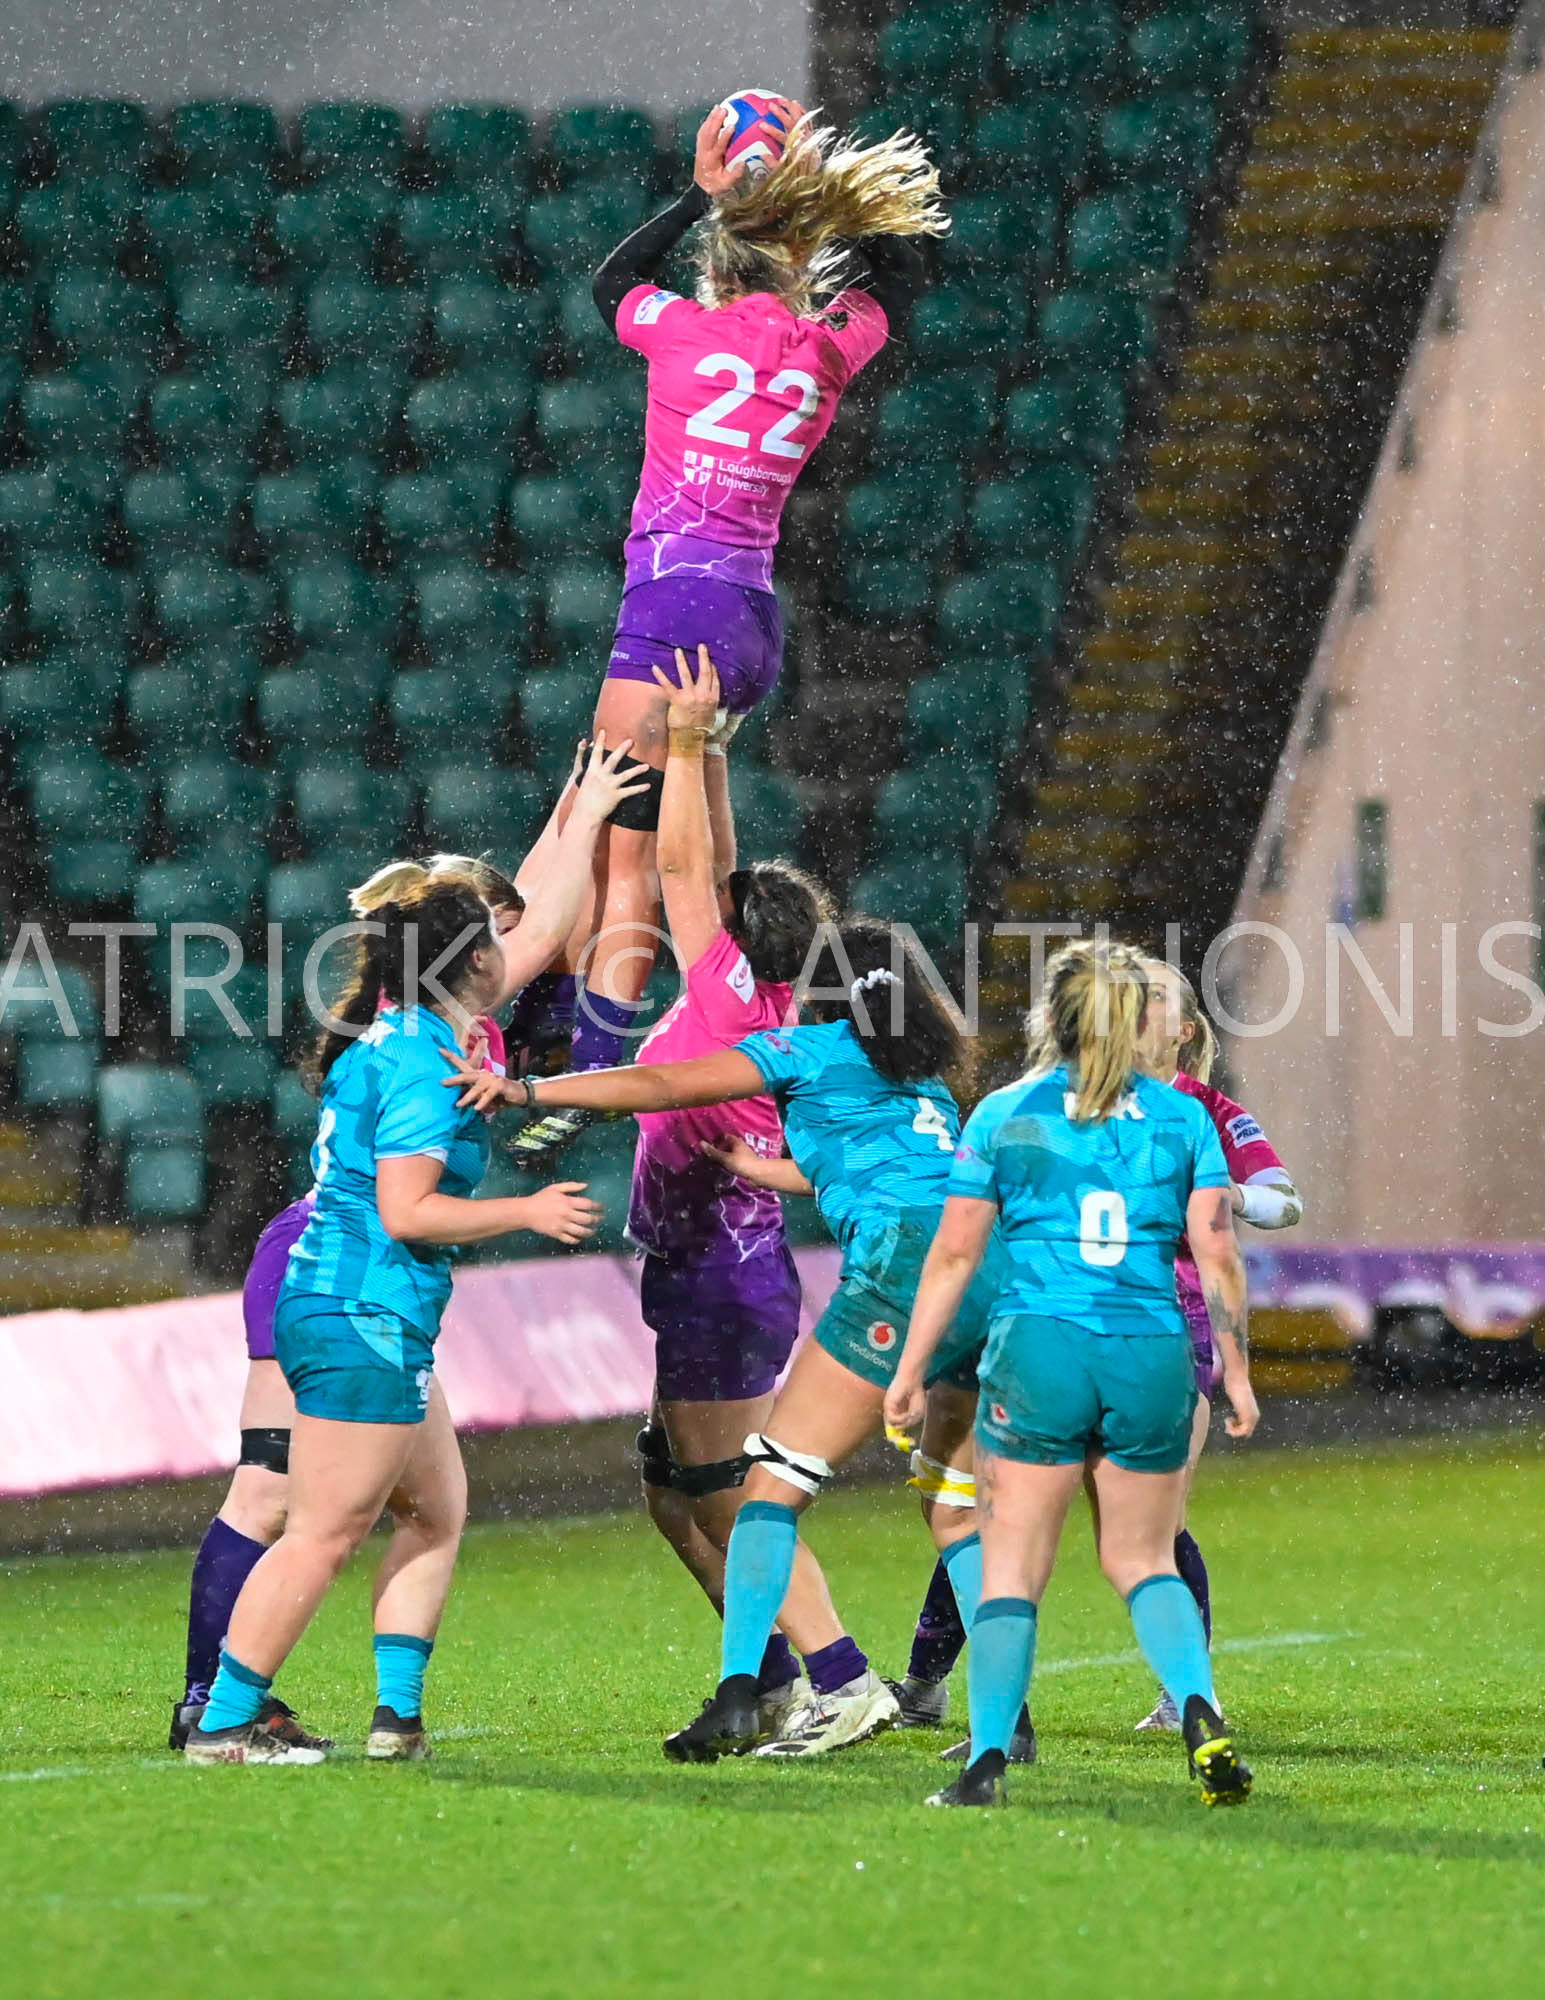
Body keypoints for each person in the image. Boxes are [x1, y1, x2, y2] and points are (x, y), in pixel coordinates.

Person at [169, 744, 646, 1750]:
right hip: (347, 1271)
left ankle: (391, 1715)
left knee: (422, 1504)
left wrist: (582, 805)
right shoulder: (428, 1040)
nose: (522, 944)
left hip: (343, 1268)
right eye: (497, 931)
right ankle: (217, 1708)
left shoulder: (426, 1012)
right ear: (469, 943)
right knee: (293, 1506)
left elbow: (539, 905)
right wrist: (588, 807)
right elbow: (546, 912)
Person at [449, 919, 1006, 1763]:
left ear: (819, 992)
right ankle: (1009, 1717)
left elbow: (666, 1083)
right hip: (984, 1271)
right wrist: (758, 1171)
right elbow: (863, 1167)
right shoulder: (920, 1077)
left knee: (768, 1490)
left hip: (900, 1269)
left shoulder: (804, 1050)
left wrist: (532, 1093)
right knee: (953, 1506)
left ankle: (788, 1690)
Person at [513, 100, 947, 1166]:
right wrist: (832, 199)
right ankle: (573, 1035)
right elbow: (894, 284)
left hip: (671, 607)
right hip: (753, 623)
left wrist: (701, 196)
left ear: (714, 272)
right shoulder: (826, 351)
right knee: (644, 848)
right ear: (799, 276)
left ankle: (586, 1075)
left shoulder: (681, 329)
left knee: (621, 861)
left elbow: (612, 281)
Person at [884, 939, 1259, 1810]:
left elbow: (952, 1256)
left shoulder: (1003, 1116)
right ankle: (1198, 1708)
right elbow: (1217, 1253)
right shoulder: (1181, 1118)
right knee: (1142, 1557)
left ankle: (984, 1764)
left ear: (1048, 1019)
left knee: (1011, 1566)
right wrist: (1234, 1372)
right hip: (1150, 1352)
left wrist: (908, 1369)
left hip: (1040, 1349)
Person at [621, 646, 848, 1740]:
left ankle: (835, 1677)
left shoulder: (728, 1005)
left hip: (722, 1274)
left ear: (744, 940)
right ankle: (758, 1684)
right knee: (676, 1496)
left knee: (732, 1496)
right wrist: (708, 753)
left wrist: (680, 746)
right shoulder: (769, 1003)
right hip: (710, 1269)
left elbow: (682, 871)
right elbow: (714, 869)